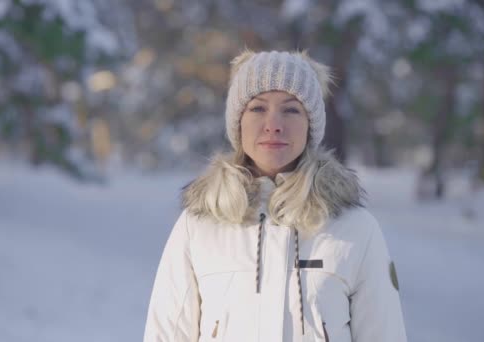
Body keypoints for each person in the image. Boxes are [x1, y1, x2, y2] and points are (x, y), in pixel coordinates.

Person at [143, 49, 407, 342]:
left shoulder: (357, 230)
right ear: (238, 122)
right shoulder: (198, 227)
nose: (274, 124)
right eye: (258, 108)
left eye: (291, 109)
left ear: (310, 125)